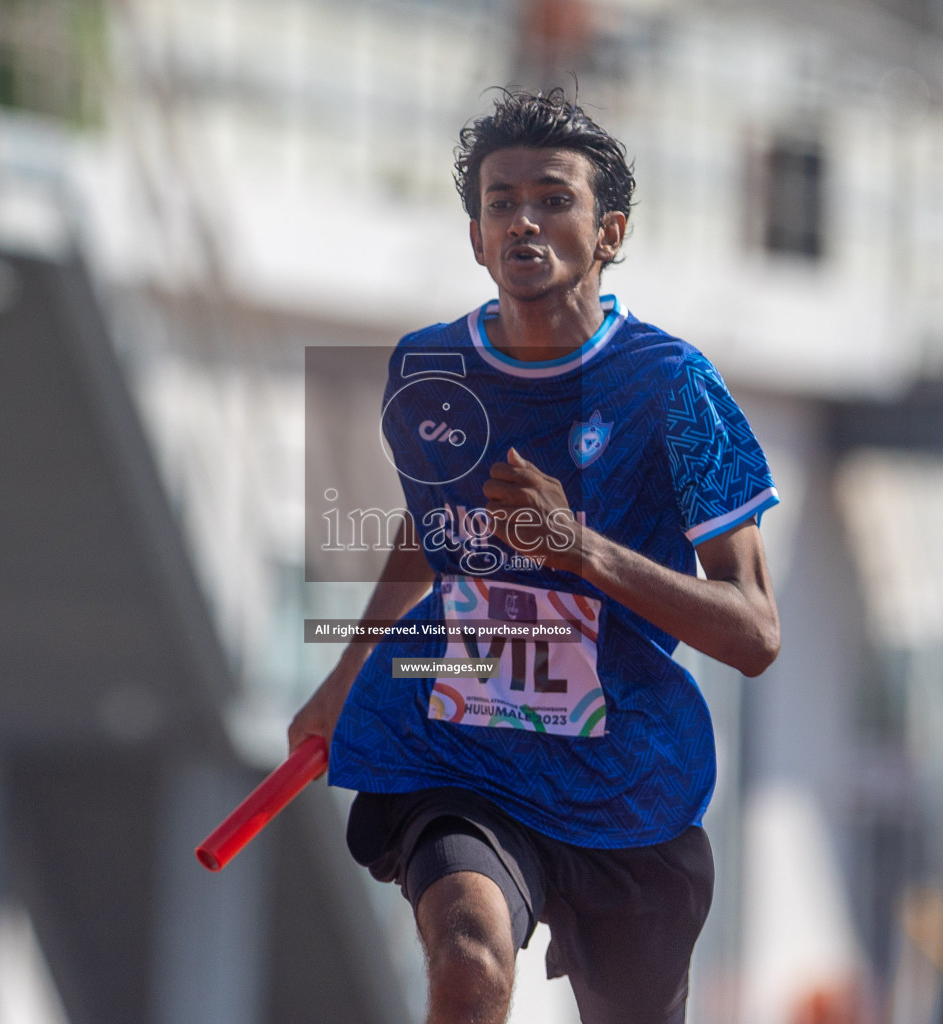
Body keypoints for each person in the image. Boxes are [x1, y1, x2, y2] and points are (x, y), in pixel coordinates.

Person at [289, 88, 781, 1024]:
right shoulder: (428, 368)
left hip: (623, 768)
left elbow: (756, 632)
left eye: (554, 197)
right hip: (462, 748)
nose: (524, 220)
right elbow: (432, 535)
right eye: (500, 202)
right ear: (475, 238)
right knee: (468, 962)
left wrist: (580, 549)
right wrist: (343, 679)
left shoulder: (676, 390)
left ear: (610, 231)